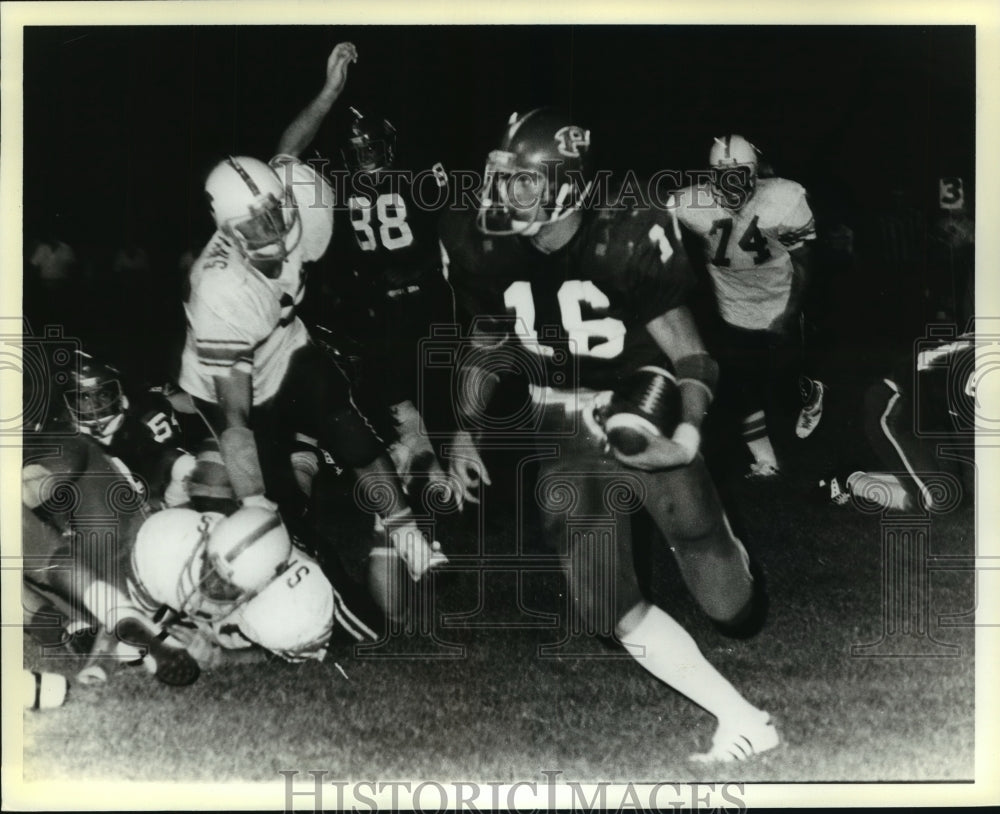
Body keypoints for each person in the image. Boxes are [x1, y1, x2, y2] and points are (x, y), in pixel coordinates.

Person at [439, 108, 778, 763]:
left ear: (567, 182)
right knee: (605, 607)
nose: (508, 195)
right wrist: (464, 431)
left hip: (639, 399)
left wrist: (685, 431)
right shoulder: (482, 243)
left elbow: (691, 354)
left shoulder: (626, 231)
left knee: (732, 605)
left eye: (525, 182)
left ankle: (723, 557)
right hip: (559, 421)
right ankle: (739, 718)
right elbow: (486, 340)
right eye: (504, 179)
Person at [176, 41, 443, 593]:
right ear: (228, 230)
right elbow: (235, 419)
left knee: (347, 423)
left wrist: (328, 93)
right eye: (256, 225)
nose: (274, 228)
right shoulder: (221, 289)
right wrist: (254, 502)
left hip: (286, 342)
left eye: (276, 210)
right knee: (262, 505)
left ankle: (411, 539)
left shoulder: (289, 197)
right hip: (228, 376)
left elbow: (288, 150)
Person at [275, 44, 454, 500]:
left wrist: (330, 91)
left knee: (397, 394)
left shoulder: (338, 179)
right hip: (401, 306)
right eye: (361, 149)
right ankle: (418, 461)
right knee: (395, 395)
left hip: (393, 308)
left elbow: (287, 153)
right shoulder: (416, 173)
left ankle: (416, 456)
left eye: (371, 146)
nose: (367, 156)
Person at [671, 135, 822, 478]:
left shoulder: (783, 199)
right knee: (740, 384)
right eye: (723, 176)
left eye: (738, 174)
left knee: (784, 385)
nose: (731, 184)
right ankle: (765, 460)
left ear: (754, 173)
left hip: (778, 299)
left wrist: (790, 310)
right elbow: (653, 214)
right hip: (733, 306)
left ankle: (810, 391)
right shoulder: (691, 203)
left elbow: (804, 263)